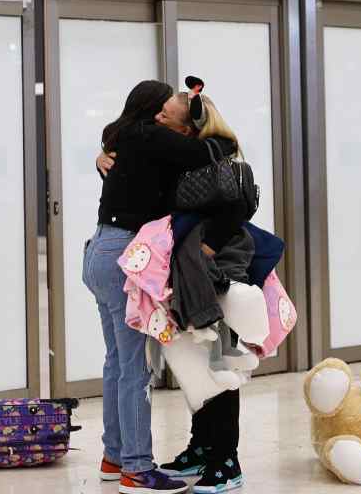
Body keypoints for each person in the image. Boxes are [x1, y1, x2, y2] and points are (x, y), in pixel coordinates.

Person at [97, 87, 249, 494]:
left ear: (187, 125)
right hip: (154, 268)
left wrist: (207, 246)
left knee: (211, 363)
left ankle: (221, 459)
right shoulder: (161, 147)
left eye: (167, 114)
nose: (158, 120)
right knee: (171, 364)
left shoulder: (196, 155)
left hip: (203, 276)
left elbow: (238, 203)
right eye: (158, 112)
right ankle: (171, 457)